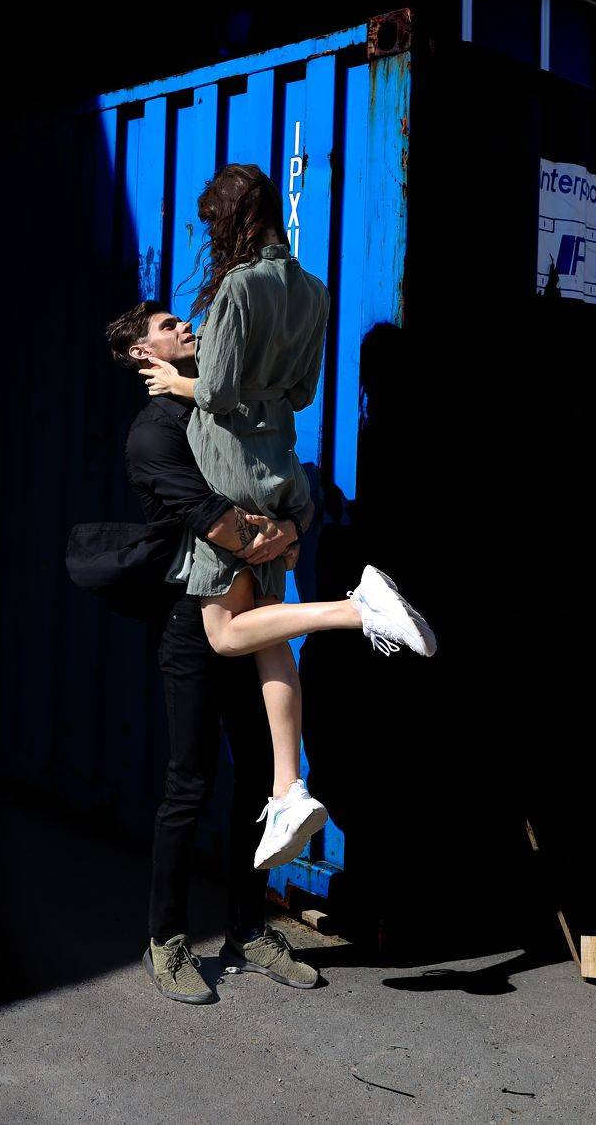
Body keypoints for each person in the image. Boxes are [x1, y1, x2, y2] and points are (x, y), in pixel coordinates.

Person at [137, 163, 438, 876]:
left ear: (232, 220)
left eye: (213, 223)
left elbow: (215, 391)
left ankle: (356, 610)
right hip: (277, 464)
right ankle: (286, 789)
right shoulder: (314, 290)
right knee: (267, 632)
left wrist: (177, 381)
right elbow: (300, 392)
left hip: (228, 467)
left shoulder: (238, 288)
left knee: (223, 632)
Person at [98, 299, 322, 1003]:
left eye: (182, 321)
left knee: (258, 771)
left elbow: (285, 482)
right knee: (189, 782)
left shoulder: (225, 411)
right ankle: (164, 940)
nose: (186, 328)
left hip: (247, 609)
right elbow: (213, 519)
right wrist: (277, 534)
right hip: (190, 623)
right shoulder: (154, 433)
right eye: (168, 327)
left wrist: (291, 523)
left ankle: (248, 929)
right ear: (143, 355)